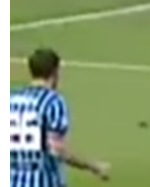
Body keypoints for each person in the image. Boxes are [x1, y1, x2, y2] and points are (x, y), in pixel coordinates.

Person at [11, 47, 110, 185]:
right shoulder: (54, 102)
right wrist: (93, 166)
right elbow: (58, 149)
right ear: (55, 72)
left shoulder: (13, 100)